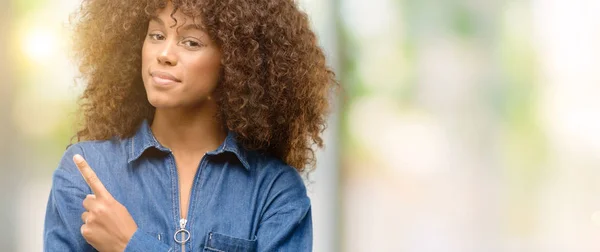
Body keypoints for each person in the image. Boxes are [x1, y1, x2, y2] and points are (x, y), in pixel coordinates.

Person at [43, 0, 336, 251]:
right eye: (156, 35)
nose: (164, 54)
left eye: (191, 42)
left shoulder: (274, 190)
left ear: (235, 61)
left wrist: (130, 244)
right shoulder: (86, 172)